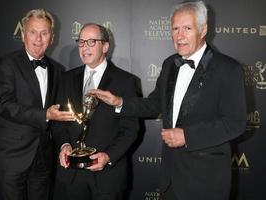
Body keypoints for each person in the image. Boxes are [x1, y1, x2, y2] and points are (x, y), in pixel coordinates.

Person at [90, 1, 247, 200]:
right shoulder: (170, 64)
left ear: (203, 29)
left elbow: (235, 123)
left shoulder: (228, 69)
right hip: (170, 179)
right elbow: (156, 103)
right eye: (175, 28)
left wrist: (188, 136)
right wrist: (120, 102)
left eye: (187, 28)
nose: (179, 35)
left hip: (206, 181)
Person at [53, 23, 140, 200]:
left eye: (92, 42)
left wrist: (108, 156)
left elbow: (131, 129)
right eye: (81, 42)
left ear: (105, 46)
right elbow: (58, 122)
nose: (85, 47)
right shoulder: (66, 79)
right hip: (72, 176)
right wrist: (64, 145)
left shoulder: (126, 81)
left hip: (108, 177)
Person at [0, 8, 72, 200]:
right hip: (13, 156)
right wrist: (45, 115)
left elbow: (59, 116)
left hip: (43, 158)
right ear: (22, 35)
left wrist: (64, 144)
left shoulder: (58, 70)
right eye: (33, 32)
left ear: (52, 38)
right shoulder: (7, 63)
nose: (38, 38)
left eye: (44, 33)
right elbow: (5, 105)